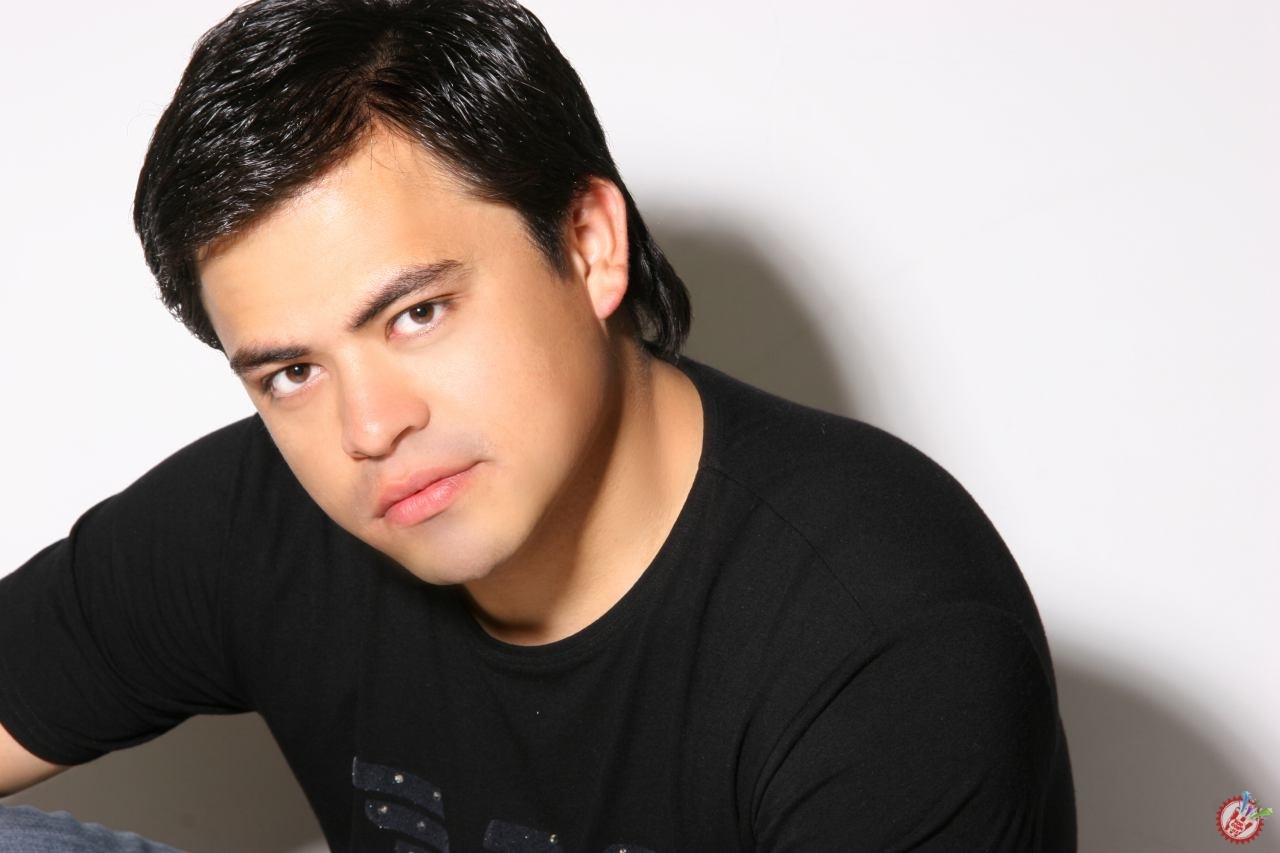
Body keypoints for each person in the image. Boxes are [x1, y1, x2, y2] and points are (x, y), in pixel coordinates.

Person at [0, 0, 1076, 849]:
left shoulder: (886, 636)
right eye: (290, 371)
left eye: (417, 314)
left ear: (590, 244)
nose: (368, 427)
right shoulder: (263, 516)